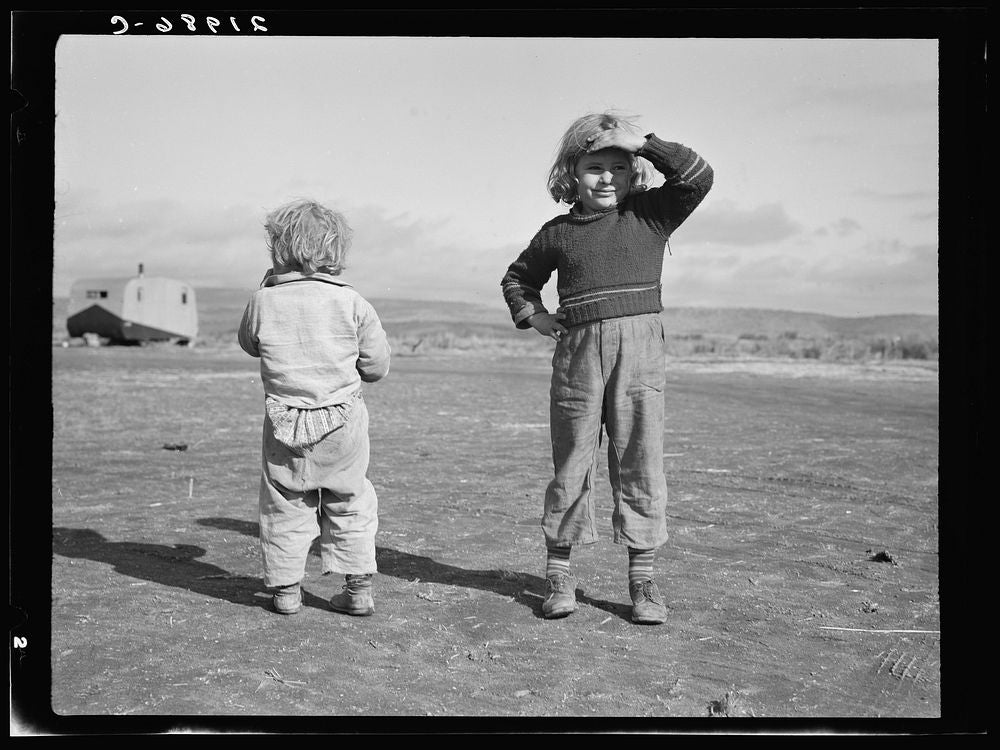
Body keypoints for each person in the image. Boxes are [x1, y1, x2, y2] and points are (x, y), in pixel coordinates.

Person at [501, 112, 713, 624]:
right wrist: (535, 316)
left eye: (620, 166)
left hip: (640, 353)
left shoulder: (652, 214)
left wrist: (645, 143)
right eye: (595, 167)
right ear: (573, 172)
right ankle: (559, 576)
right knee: (572, 461)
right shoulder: (558, 232)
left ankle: (643, 584)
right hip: (577, 355)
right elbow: (517, 278)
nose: (606, 179)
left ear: (634, 170)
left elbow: (697, 176)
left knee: (640, 460)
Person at [239, 198, 391, 617]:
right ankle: (357, 587)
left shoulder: (263, 301)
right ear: (335, 252)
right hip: (342, 421)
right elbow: (377, 366)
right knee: (351, 497)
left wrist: (267, 287)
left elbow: (248, 343)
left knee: (284, 502)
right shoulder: (353, 302)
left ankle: (287, 591)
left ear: (279, 249)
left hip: (284, 420)